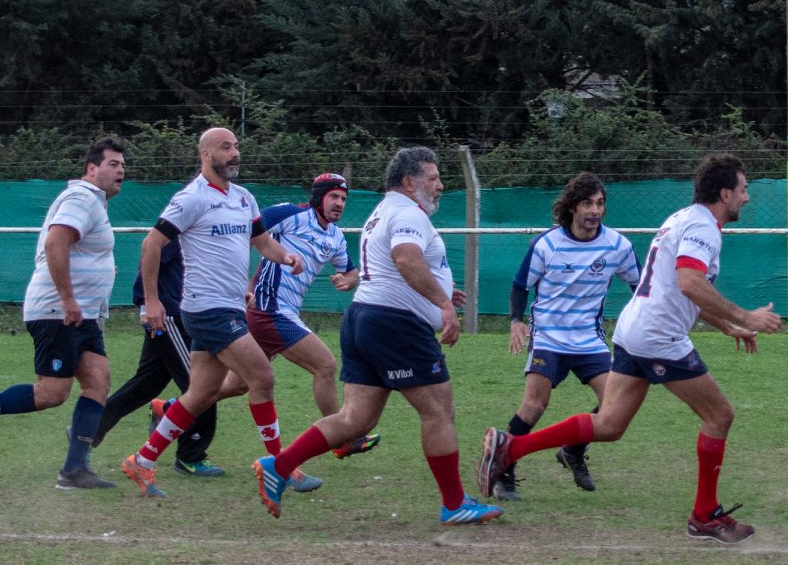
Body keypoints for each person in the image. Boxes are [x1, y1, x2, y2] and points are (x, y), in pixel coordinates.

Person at [477, 154, 784, 543]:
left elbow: (676, 289)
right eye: (743, 190)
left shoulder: (684, 218)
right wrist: (747, 316)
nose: (747, 197)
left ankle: (510, 448)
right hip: (657, 336)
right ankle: (704, 515)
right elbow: (689, 283)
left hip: (635, 329)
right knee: (719, 415)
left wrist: (729, 324)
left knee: (609, 425)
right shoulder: (702, 227)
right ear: (724, 193)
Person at [252, 146, 503, 526]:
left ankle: (279, 465)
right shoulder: (406, 212)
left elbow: (391, 263)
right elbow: (405, 258)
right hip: (394, 324)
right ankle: (454, 503)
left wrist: (441, 289)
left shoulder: (383, 211)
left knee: (356, 418)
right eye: (433, 178)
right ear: (409, 181)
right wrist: (444, 305)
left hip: (363, 318)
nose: (440, 186)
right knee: (438, 410)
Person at [118, 127, 305, 498]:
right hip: (207, 308)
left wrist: (284, 256)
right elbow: (151, 244)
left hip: (227, 305)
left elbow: (260, 241)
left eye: (236, 146)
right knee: (262, 378)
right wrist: (152, 301)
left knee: (201, 393)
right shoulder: (191, 198)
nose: (235, 153)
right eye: (226, 147)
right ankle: (280, 467)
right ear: (206, 155)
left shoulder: (244, 198)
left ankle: (142, 461)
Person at [0, 139, 129, 490]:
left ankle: (74, 470)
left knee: (98, 380)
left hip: (79, 314)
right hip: (60, 311)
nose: (122, 170)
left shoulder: (93, 203)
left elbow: (77, 250)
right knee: (51, 393)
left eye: (122, 165)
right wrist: (68, 296)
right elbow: (55, 243)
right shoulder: (82, 197)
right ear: (91, 169)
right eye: (113, 164)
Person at [207, 173, 382, 484]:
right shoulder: (291, 214)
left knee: (238, 385)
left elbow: (352, 271)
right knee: (325, 365)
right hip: (267, 309)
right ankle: (340, 438)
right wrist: (238, 282)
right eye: (334, 197)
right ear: (319, 197)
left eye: (343, 199)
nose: (339, 203)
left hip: (278, 313)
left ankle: (169, 411)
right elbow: (248, 233)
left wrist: (348, 280)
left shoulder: (336, 237)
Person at [494, 172, 640, 500]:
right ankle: (504, 469)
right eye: (588, 203)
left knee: (612, 407)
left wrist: (639, 321)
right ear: (573, 207)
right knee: (534, 406)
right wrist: (517, 321)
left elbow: (640, 286)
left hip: (589, 339)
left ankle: (572, 450)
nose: (595, 210)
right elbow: (520, 286)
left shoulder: (618, 245)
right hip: (549, 337)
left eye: (600, 204)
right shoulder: (547, 244)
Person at [86, 238, 225, 477]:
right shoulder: (179, 227)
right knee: (201, 387)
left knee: (145, 385)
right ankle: (190, 456)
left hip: (178, 315)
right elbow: (150, 251)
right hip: (168, 317)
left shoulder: (204, 229)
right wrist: (145, 304)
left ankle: (86, 430)